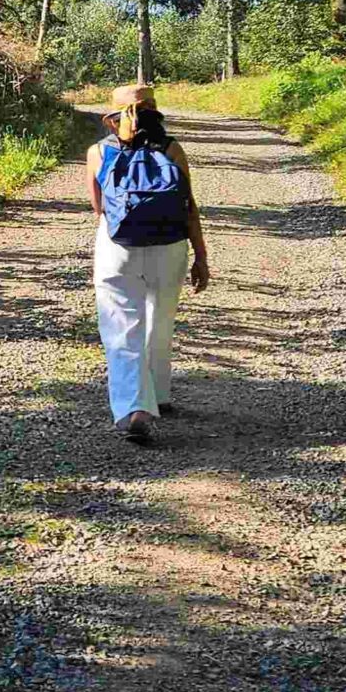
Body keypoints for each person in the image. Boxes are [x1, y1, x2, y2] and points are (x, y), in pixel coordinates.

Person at [86, 83, 210, 444]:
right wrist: (200, 256)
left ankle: (133, 409)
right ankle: (159, 393)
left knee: (121, 324)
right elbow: (190, 207)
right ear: (155, 113)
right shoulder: (172, 148)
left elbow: (98, 209)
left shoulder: (98, 151)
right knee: (160, 318)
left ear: (113, 120)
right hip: (170, 245)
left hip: (117, 246)